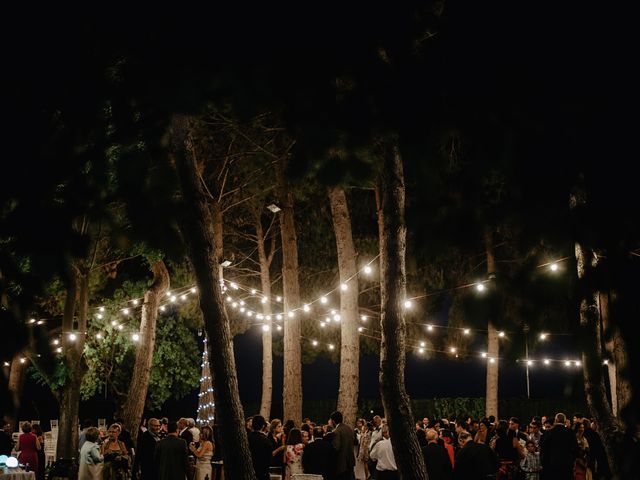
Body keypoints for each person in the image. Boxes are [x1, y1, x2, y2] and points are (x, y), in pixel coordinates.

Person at [329, 411, 356, 480]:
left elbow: (336, 448)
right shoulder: (349, 429)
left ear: (333, 421)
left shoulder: (336, 431)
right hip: (350, 461)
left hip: (341, 464)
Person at [248, 415, 272, 480]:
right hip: (262, 472)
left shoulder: (247, 439)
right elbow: (269, 458)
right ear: (263, 426)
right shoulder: (266, 440)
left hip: (249, 471)